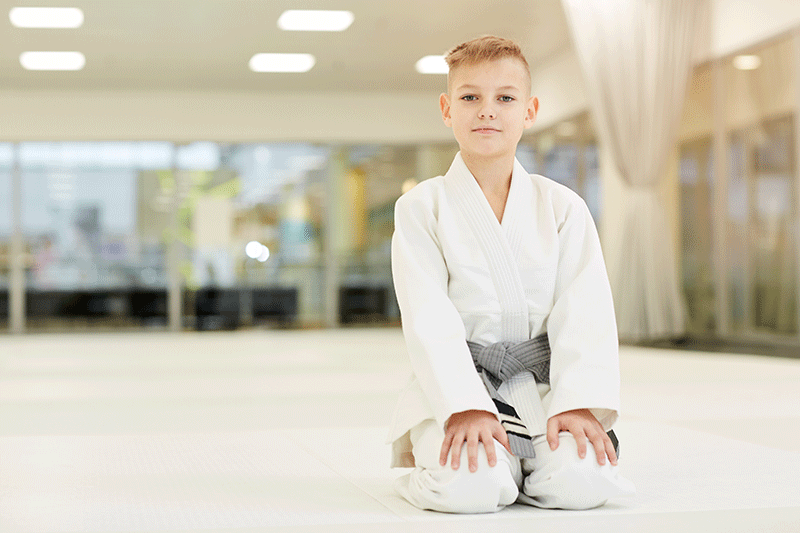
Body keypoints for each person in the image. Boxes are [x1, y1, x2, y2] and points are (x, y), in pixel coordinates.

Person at [388, 35, 635, 513]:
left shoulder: (562, 206)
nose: (487, 110)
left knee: (583, 483)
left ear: (529, 111)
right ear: (446, 109)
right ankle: (463, 472)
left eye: (505, 98)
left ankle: (519, 466)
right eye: (469, 97)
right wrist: (464, 406)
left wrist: (577, 401)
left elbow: (586, 311)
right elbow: (427, 318)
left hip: (543, 387)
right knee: (471, 489)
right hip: (460, 383)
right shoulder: (421, 207)